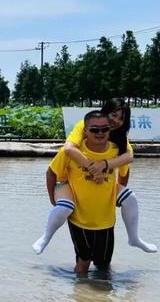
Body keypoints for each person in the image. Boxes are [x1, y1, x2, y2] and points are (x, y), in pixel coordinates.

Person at [32, 99, 156, 254]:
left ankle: (134, 238)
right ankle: (46, 237)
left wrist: (105, 167)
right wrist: (93, 169)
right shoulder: (83, 129)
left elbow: (128, 159)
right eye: (113, 115)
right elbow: (68, 149)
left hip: (102, 208)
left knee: (130, 197)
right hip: (67, 183)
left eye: (121, 118)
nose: (116, 121)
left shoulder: (118, 141)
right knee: (65, 207)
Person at [34, 111, 133, 273]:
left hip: (106, 221)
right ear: (85, 131)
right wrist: (53, 199)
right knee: (83, 263)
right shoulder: (71, 152)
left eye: (104, 129)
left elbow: (124, 172)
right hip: (79, 220)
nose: (100, 133)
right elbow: (51, 172)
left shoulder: (117, 151)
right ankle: (80, 295)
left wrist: (117, 196)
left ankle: (100, 297)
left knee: (104, 265)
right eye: (94, 130)